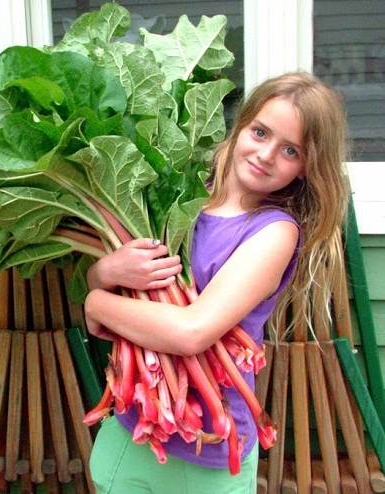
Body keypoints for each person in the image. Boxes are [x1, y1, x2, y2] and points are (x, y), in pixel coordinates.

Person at [84, 71, 350, 493]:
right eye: (260, 132)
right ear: (240, 126)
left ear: (306, 168)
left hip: (211, 452)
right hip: (130, 432)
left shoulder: (274, 232)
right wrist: (103, 274)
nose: (265, 154)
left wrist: (95, 303)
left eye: (290, 150)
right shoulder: (175, 197)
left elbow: (192, 331)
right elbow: (115, 280)